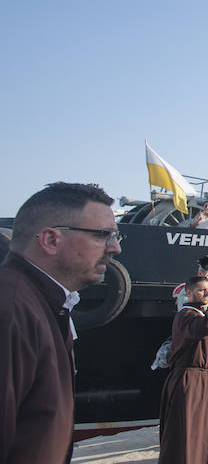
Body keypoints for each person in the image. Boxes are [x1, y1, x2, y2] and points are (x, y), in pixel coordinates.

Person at [0, 182, 121, 464]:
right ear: (51, 240)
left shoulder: (44, 304)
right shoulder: (10, 313)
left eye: (116, 236)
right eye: (103, 235)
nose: (114, 248)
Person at [158, 275, 208, 464]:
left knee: (205, 428)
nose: (207, 293)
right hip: (189, 380)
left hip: (205, 378)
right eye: (202, 290)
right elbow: (202, 328)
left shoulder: (200, 313)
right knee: (188, 430)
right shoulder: (185, 315)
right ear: (189, 293)